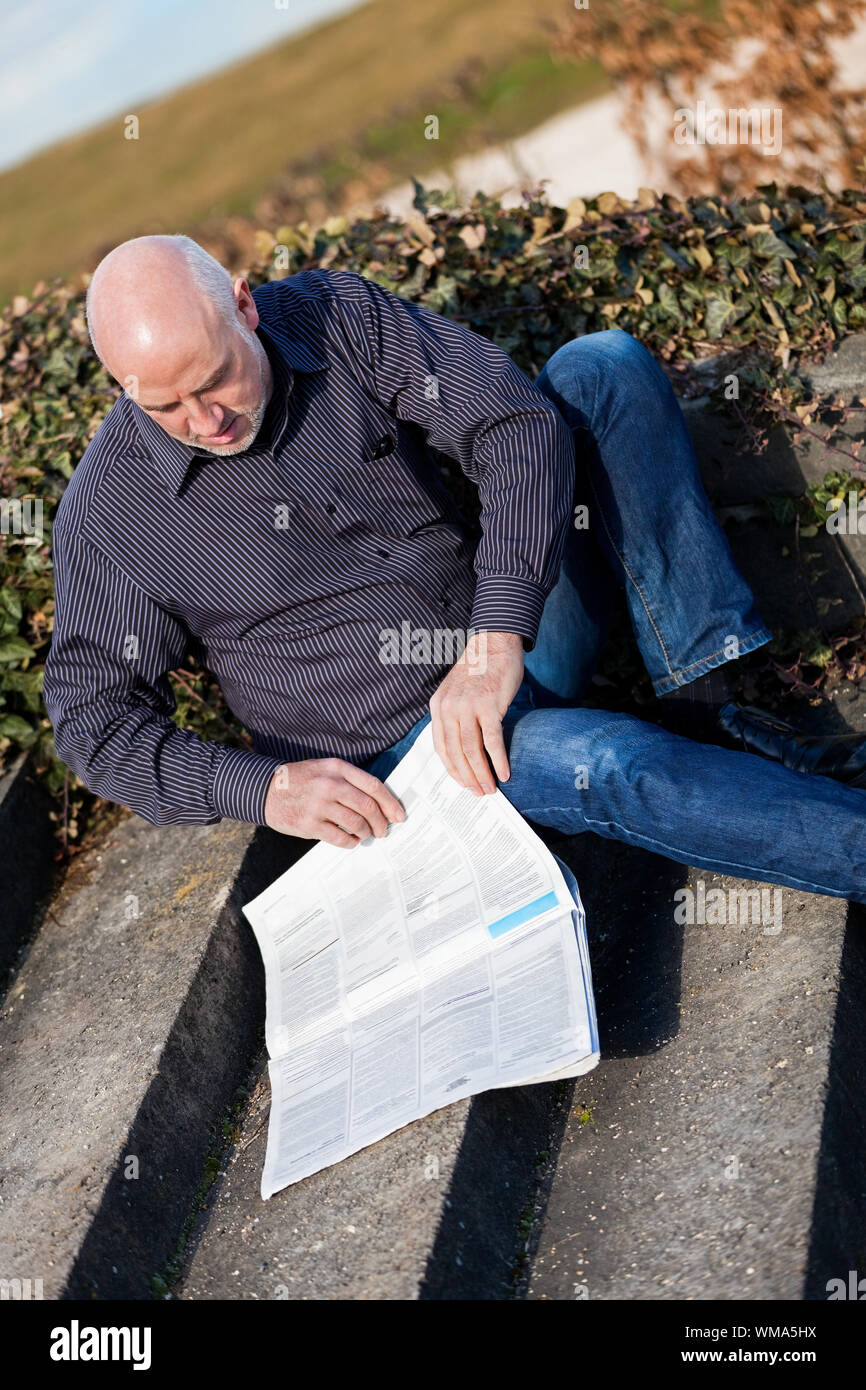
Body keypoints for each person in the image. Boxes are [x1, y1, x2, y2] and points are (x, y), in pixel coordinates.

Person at [42, 234, 866, 905]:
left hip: (510, 632)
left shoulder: (339, 317)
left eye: (216, 377)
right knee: (611, 763)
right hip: (413, 755)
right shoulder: (108, 515)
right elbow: (94, 720)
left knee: (600, 371)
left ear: (246, 305)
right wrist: (263, 790)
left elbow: (514, 425)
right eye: (164, 406)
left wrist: (498, 632)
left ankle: (706, 715)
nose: (205, 419)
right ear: (122, 385)